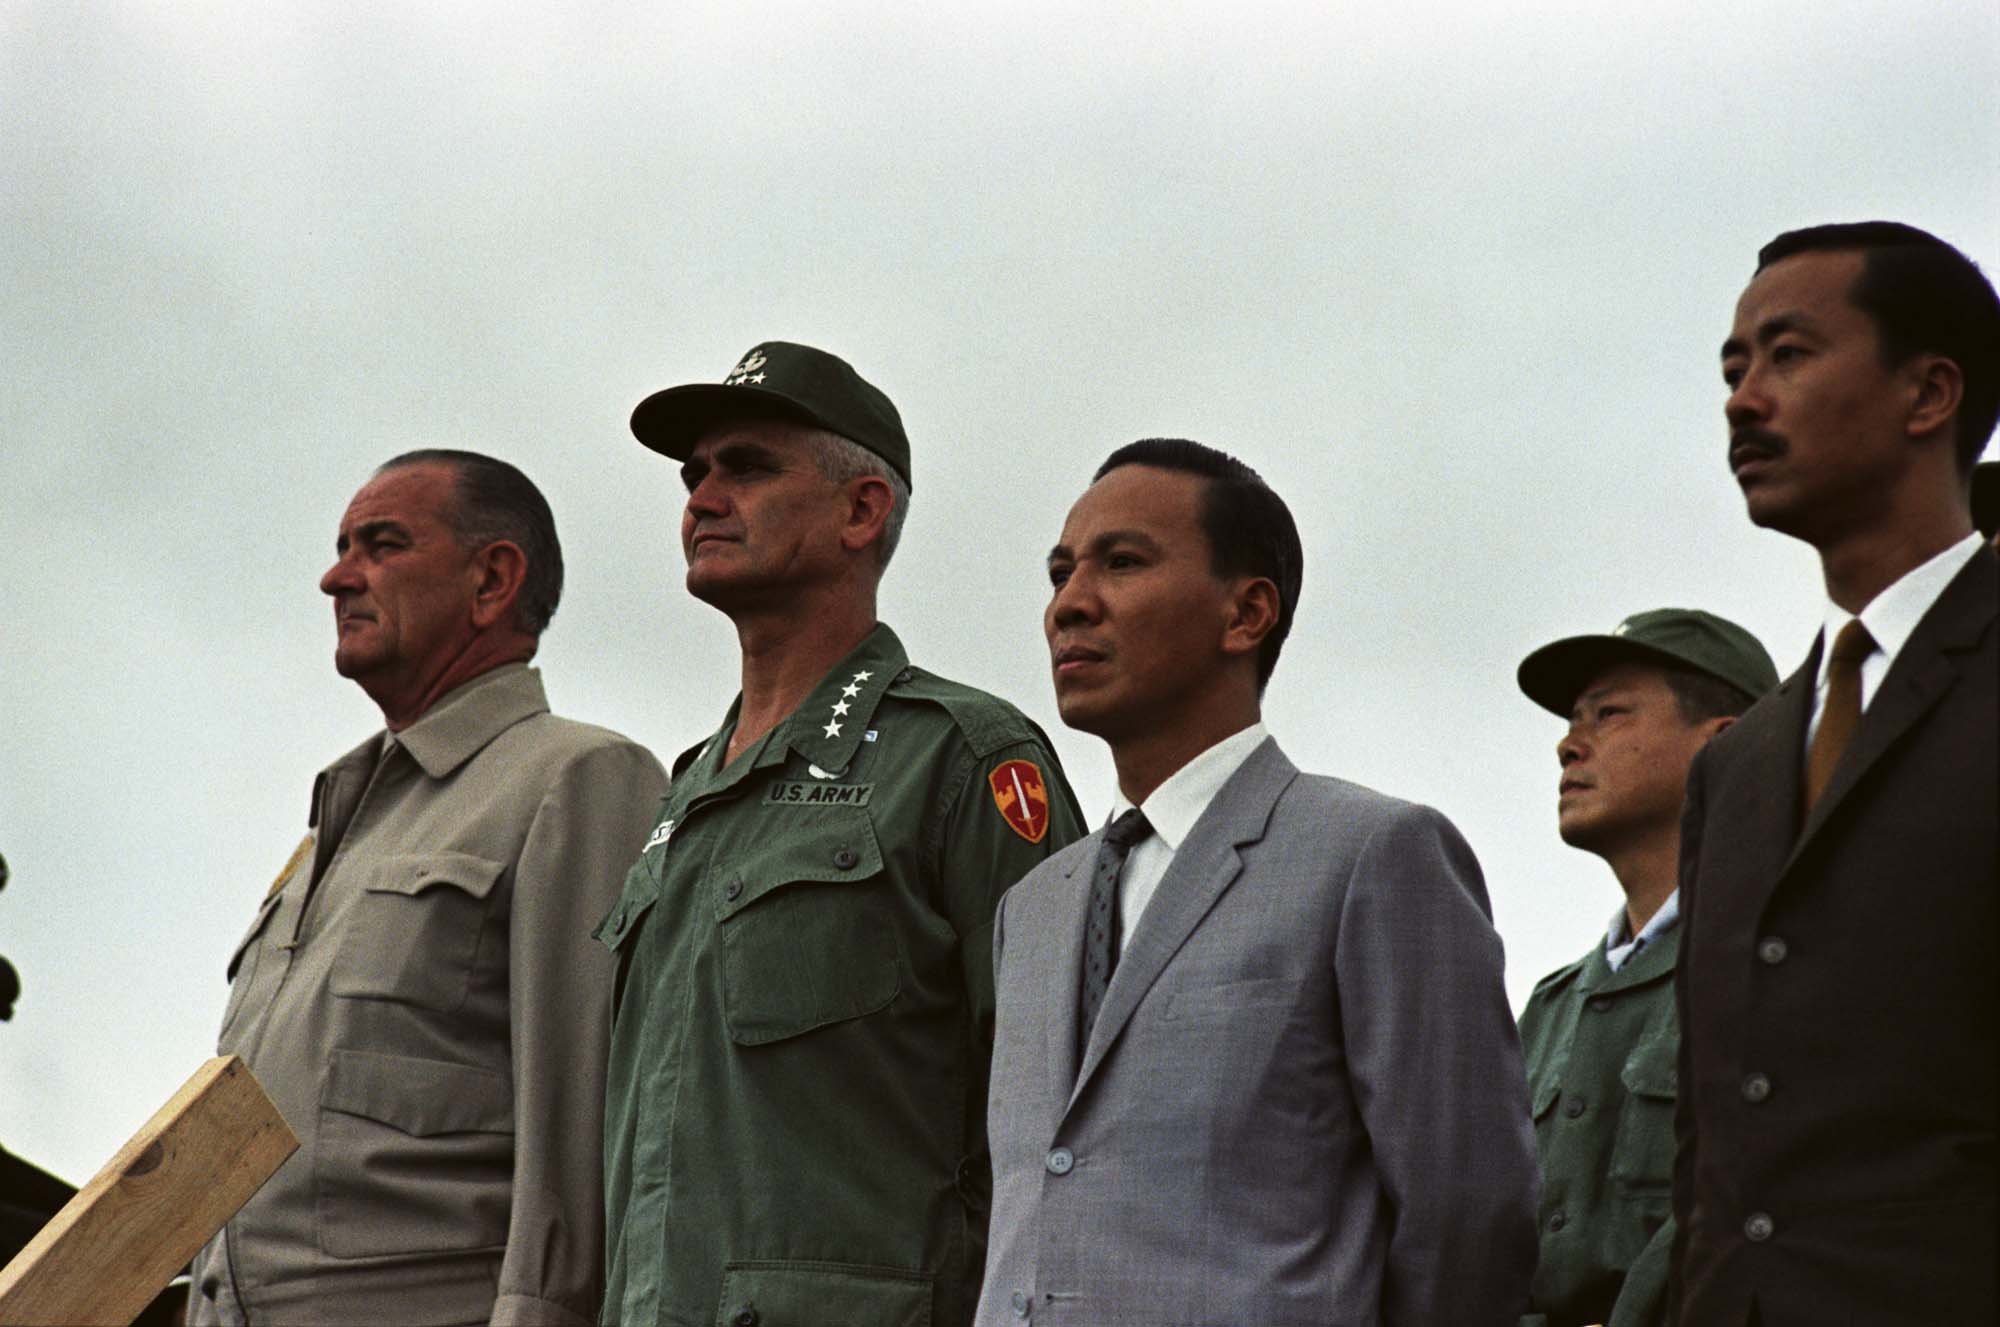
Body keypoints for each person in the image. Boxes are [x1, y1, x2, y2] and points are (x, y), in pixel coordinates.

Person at [977, 438, 1539, 1325]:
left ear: (1246, 613)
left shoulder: (1374, 854)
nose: (1069, 605)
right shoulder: (1032, 908)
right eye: (1059, 573)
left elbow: (1470, 1212)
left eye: (1121, 562)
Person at [597, 342, 1085, 1327]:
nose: (702, 495)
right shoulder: (685, 793)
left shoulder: (963, 759)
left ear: (862, 509)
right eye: (695, 474)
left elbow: (1066, 1118)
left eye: (749, 466)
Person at [189, 451, 668, 1327]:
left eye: (382, 545)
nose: (337, 577)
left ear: (491, 580)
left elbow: (587, 1128)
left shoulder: (579, 777)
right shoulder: (326, 834)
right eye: (342, 547)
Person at [1674, 222, 2000, 1323]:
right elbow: (1707, 1138)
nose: (1740, 398)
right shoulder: (1737, 764)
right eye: (1731, 367)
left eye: (1787, 354)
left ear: (1928, 393)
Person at [1512, 610, 1776, 1327]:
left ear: (1725, 745)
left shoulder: (1784, 965)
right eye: (1573, 720)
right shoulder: (1548, 1008)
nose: (1569, 745)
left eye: (1611, 713)